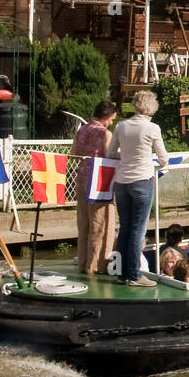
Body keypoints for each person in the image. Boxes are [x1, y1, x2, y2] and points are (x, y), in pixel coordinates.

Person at [107, 90, 170, 288]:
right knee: (137, 229)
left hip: (121, 182)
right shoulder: (153, 128)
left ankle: (123, 274)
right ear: (152, 107)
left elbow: (111, 153)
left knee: (125, 227)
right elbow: (164, 158)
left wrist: (126, 157)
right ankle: (134, 275)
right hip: (142, 180)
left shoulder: (121, 125)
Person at [74, 101, 118, 274]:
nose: (112, 123)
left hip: (81, 179)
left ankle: (83, 263)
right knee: (100, 225)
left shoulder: (82, 130)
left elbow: (75, 153)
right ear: (106, 117)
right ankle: (95, 266)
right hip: (99, 183)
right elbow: (109, 156)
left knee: (84, 224)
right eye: (112, 119)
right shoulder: (104, 133)